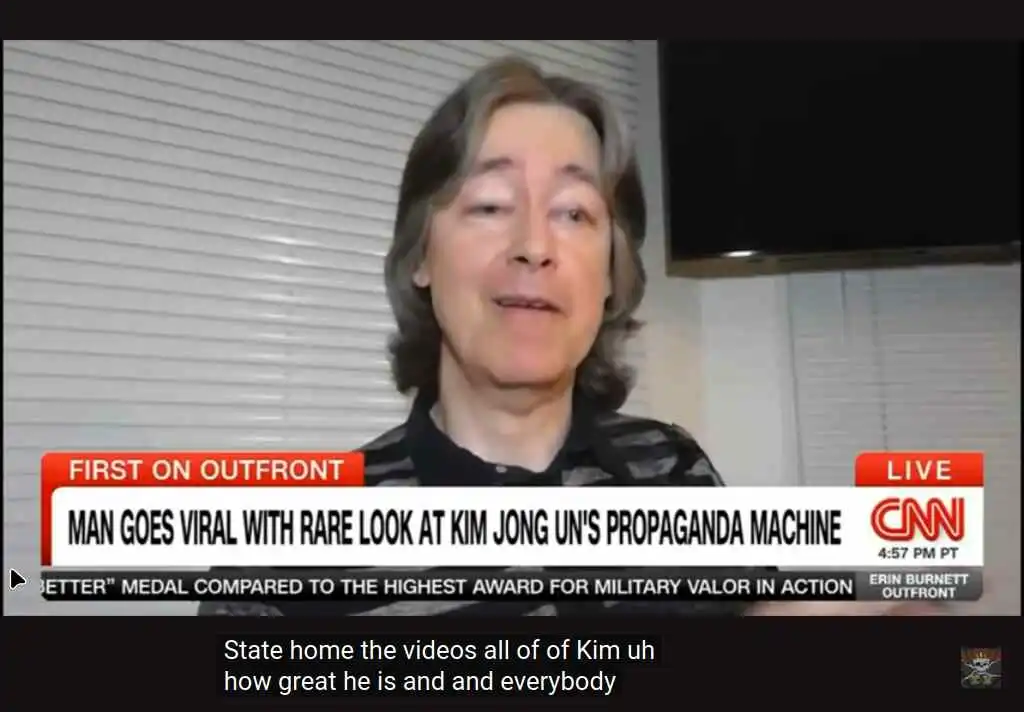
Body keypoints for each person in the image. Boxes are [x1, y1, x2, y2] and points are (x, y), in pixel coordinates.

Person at [200, 56, 932, 617]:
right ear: (421, 255)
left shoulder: (676, 474)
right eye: (490, 204)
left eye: (575, 213)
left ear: (611, 274)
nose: (534, 246)